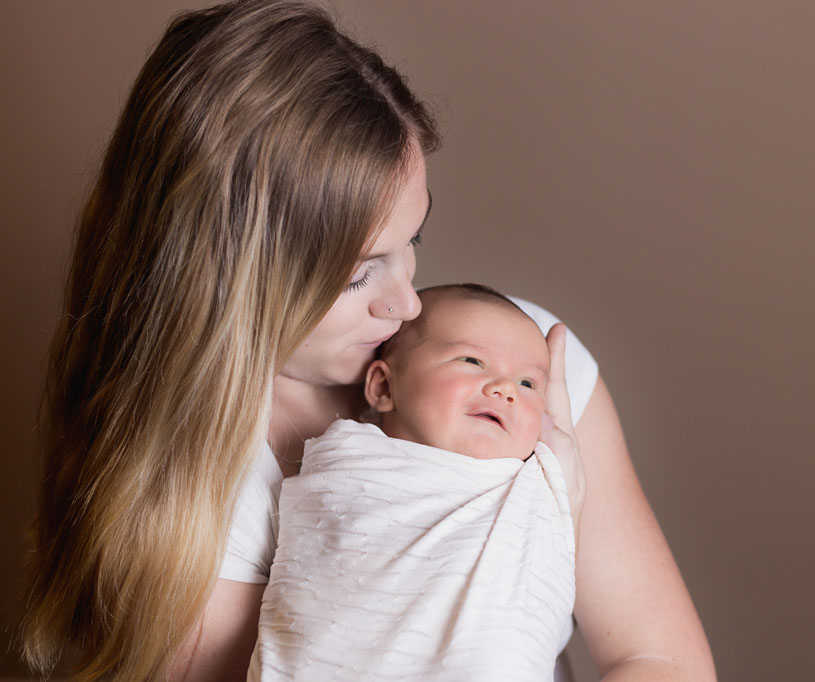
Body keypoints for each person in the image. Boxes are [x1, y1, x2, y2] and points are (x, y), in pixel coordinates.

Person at [22, 1, 716, 681]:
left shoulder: (518, 367)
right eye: (358, 275)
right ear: (228, 284)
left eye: (411, 239)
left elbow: (659, 658)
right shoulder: (194, 501)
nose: (407, 301)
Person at [251, 284, 583, 680]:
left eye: (528, 384)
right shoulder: (350, 464)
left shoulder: (537, 482)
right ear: (384, 387)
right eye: (473, 360)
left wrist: (562, 491)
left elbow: (551, 562)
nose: (506, 389)